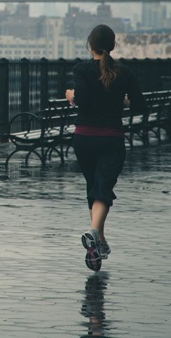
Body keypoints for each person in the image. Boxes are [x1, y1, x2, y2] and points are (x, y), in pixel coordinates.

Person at [65, 24, 146, 271]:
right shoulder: (125, 73)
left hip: (84, 138)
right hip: (111, 138)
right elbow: (140, 107)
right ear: (112, 46)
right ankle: (95, 236)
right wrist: (122, 100)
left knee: (95, 188)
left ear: (91, 46)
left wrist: (71, 95)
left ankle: (98, 242)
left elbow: (83, 100)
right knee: (103, 189)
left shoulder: (81, 69)